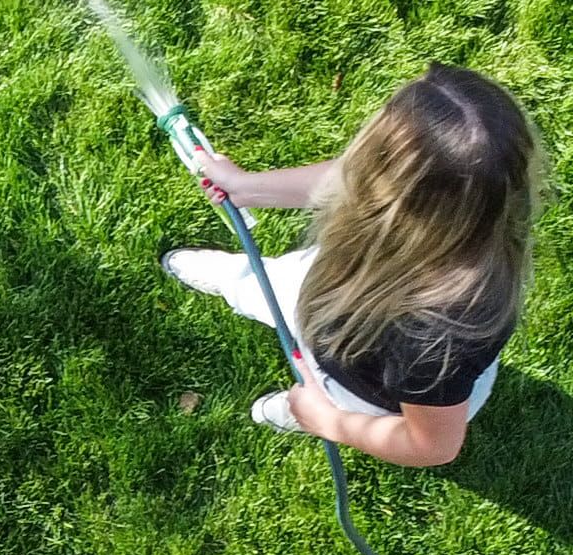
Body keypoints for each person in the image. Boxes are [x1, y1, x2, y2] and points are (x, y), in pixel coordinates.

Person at [166, 63, 542, 469]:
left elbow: (433, 445)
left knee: (314, 396)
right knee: (266, 285)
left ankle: (303, 412)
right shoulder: (474, 213)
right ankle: (234, 281)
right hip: (336, 290)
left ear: (397, 203)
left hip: (361, 394)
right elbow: (348, 178)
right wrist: (247, 188)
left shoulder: (437, 340)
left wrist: (331, 420)